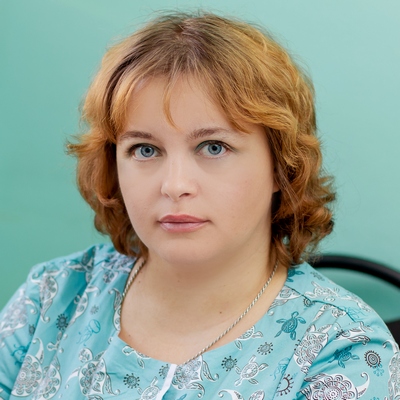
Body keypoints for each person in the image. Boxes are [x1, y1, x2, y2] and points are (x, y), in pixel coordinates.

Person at [0, 11, 398, 400]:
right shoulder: (50, 296)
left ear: (281, 166)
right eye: (145, 149)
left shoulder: (345, 353)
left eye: (213, 147)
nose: (175, 186)